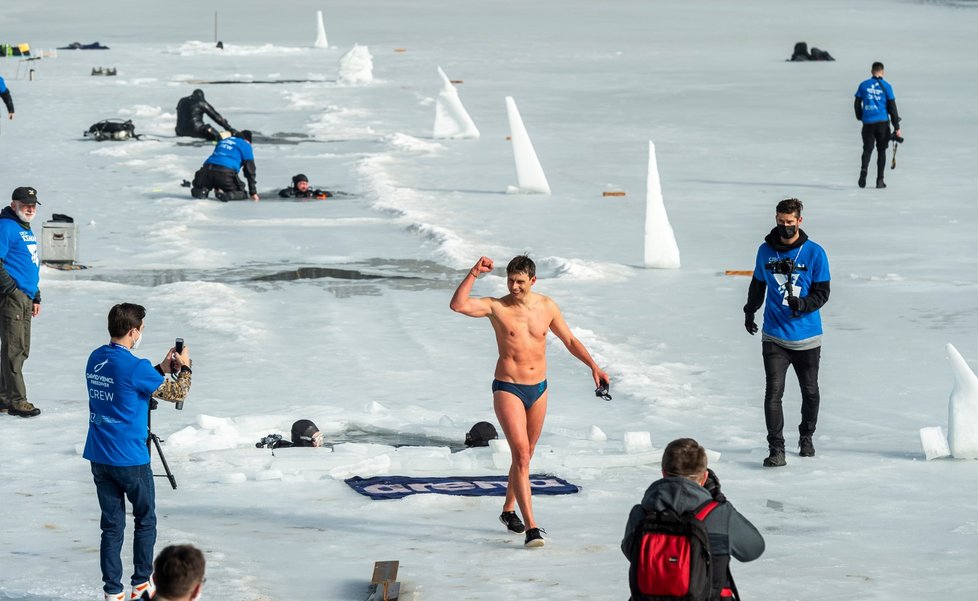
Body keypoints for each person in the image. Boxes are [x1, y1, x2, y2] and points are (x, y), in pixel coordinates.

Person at [450, 255, 610, 547]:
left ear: (533, 281)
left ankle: (508, 509)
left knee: (526, 454)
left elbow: (570, 340)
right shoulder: (497, 307)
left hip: (539, 389)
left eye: (520, 282)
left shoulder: (547, 306)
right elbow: (458, 305)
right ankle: (532, 527)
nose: (514, 287)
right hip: (508, 387)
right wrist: (473, 273)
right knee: (521, 454)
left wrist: (594, 367)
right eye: (510, 280)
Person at [83, 303, 193, 601]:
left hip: (99, 454)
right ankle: (141, 583)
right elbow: (178, 393)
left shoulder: (96, 358)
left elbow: (126, 385)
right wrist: (184, 368)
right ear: (133, 332)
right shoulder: (136, 367)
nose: (142, 333)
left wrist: (159, 369)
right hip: (130, 458)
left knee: (112, 525)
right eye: (142, 329)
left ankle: (112, 591)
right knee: (145, 519)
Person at [621, 438, 765, 600]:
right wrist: (720, 503)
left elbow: (631, 552)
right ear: (704, 477)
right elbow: (753, 549)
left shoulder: (641, 513)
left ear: (663, 473)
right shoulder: (719, 513)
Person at [744, 198, 830, 467]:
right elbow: (758, 283)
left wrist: (803, 304)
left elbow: (823, 293)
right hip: (774, 335)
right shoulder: (765, 251)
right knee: (773, 393)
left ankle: (806, 436)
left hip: (806, 337)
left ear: (799, 221)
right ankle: (776, 449)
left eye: (790, 223)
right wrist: (750, 310)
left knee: (810, 392)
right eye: (780, 223)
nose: (785, 228)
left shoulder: (814, 253)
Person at [0, 187, 41, 417]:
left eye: (33, 204)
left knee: (19, 348)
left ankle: (4, 396)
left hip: (26, 296)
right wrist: (11, 289)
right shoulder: (6, 226)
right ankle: (17, 401)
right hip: (13, 298)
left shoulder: (24, 227)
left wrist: (35, 295)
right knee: (15, 350)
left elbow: (30, 264)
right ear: (13, 204)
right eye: (25, 204)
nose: (30, 208)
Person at [854, 62, 902, 189]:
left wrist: (860, 116)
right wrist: (896, 127)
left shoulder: (863, 85)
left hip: (868, 123)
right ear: (883, 72)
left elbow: (857, 103)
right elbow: (892, 108)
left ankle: (864, 170)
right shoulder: (887, 86)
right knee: (881, 151)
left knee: (867, 149)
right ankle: (879, 180)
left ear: (871, 71)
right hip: (882, 123)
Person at [190, 130, 259, 201]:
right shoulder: (245, 145)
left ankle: (201, 191)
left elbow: (218, 160)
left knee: (201, 186)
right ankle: (226, 195)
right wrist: (253, 192)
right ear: (247, 140)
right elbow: (250, 171)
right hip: (225, 173)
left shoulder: (223, 141)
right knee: (242, 193)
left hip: (206, 170)